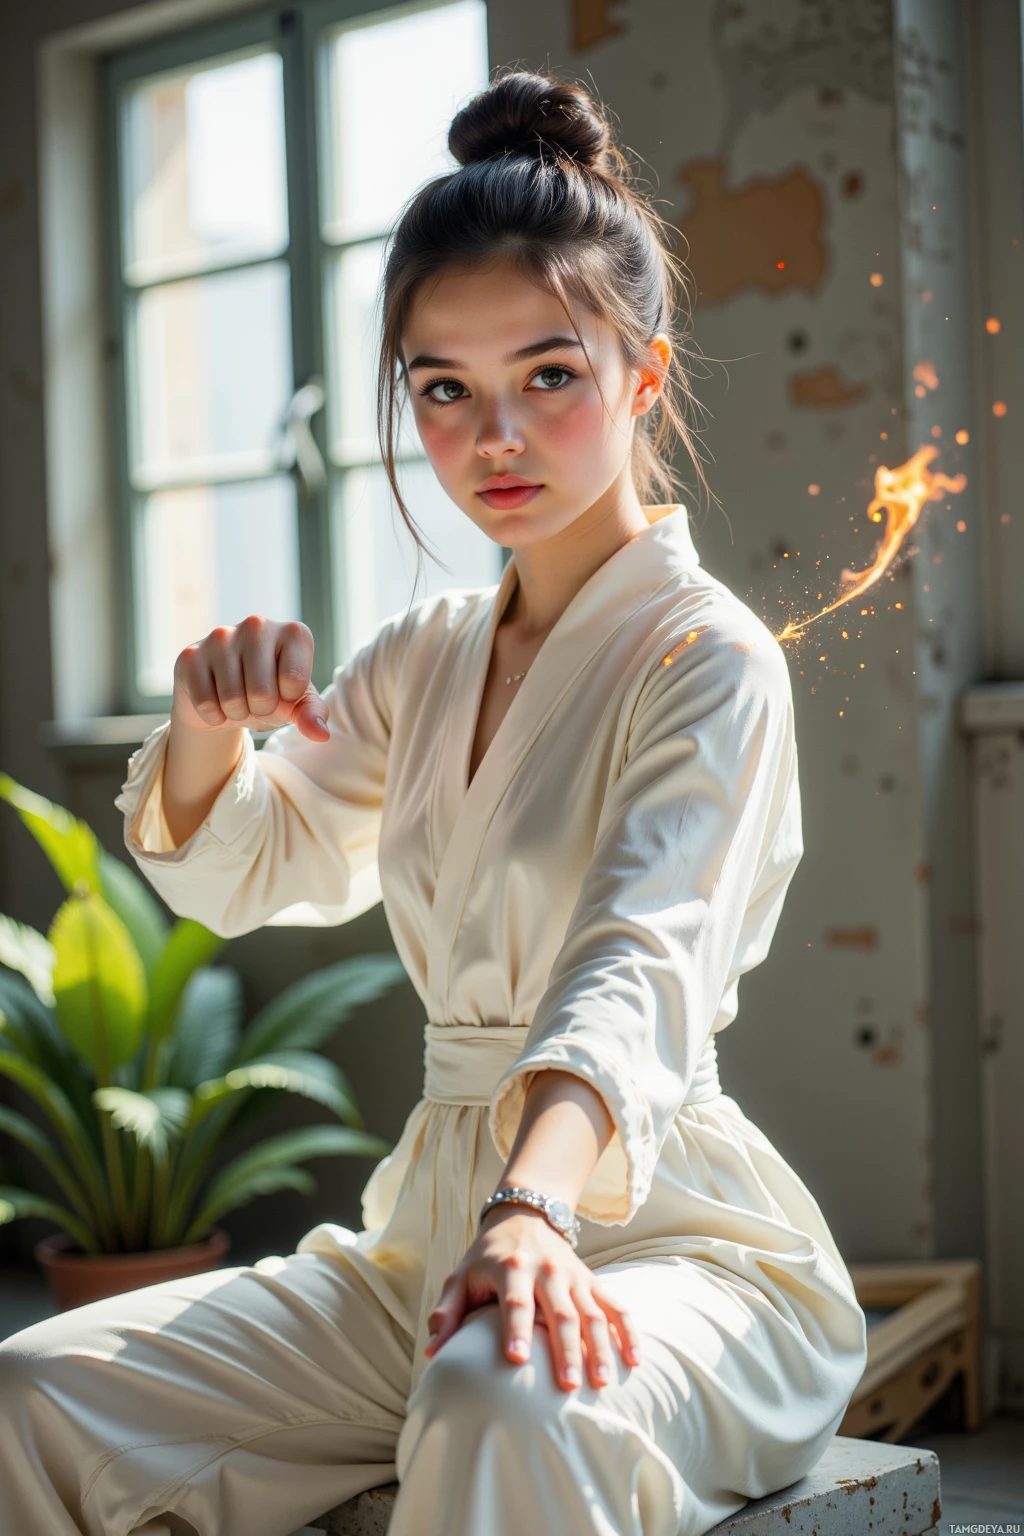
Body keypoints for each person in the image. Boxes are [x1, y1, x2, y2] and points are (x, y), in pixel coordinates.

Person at [0, 68, 868, 1536]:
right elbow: (248, 871)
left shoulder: (708, 660)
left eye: (549, 375)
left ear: (642, 378)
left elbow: (638, 957)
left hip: (669, 1236)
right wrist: (209, 730)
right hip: (426, 1236)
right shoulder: (421, 657)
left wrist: (534, 1212)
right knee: (37, 1390)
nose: (494, 439)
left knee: (495, 1393)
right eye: (443, 390)